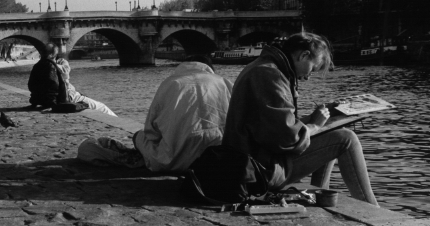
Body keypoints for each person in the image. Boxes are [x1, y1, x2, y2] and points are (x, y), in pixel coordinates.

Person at [222, 32, 378, 205]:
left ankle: (319, 196)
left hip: (252, 162)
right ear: (304, 55)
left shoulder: (265, 67)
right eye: (313, 68)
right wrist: (315, 125)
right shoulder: (269, 75)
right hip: (259, 171)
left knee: (334, 132)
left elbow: (274, 126)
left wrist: (318, 117)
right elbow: (288, 138)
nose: (308, 77)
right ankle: (373, 208)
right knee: (346, 139)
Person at [133, 55, 233, 172]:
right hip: (218, 156)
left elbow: (151, 132)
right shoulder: (224, 82)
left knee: (138, 136)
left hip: (174, 161)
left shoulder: (170, 83)